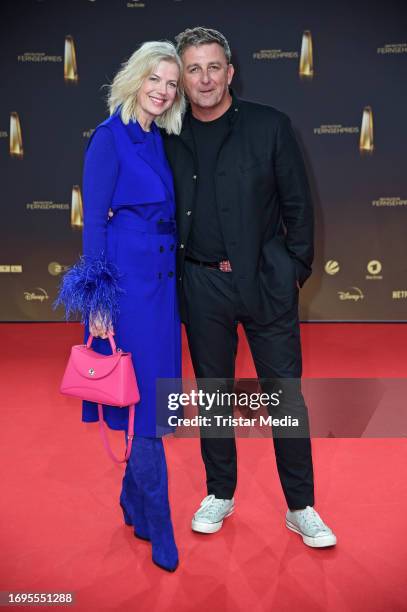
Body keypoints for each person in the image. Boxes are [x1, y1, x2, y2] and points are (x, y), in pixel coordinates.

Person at [162, 27, 337, 548]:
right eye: (193, 69)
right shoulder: (167, 136)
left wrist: (290, 271)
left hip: (265, 282)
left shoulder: (271, 126)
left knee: (285, 397)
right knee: (213, 396)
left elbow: (299, 208)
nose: (205, 78)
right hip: (200, 283)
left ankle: (301, 506)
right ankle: (220, 492)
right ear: (181, 79)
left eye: (214, 67)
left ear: (230, 71)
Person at [54, 40, 185, 571]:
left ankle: (132, 501)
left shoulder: (160, 138)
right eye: (156, 78)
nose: (164, 90)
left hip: (163, 289)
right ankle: (160, 524)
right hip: (128, 290)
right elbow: (93, 225)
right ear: (135, 77)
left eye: (171, 83)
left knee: (149, 399)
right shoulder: (108, 138)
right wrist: (98, 302)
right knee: (146, 409)